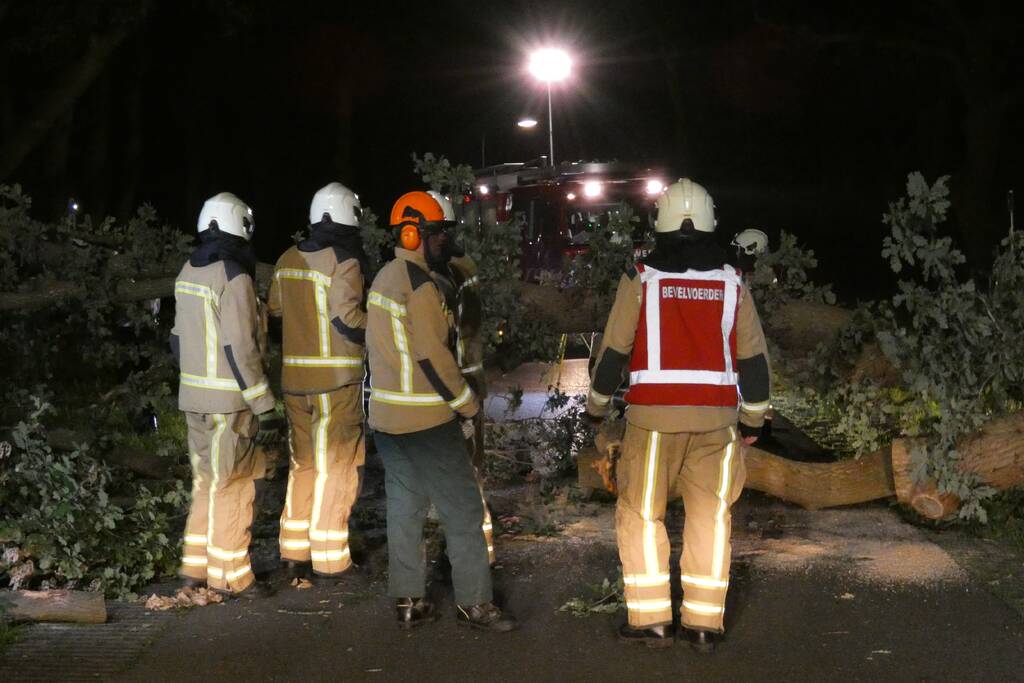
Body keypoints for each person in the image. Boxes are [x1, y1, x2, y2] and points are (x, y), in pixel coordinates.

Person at [586, 178, 771, 650]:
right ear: (711, 223)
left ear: (660, 224)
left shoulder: (641, 277)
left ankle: (651, 620)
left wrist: (597, 407)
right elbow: (753, 360)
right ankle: (704, 624)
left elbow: (614, 351)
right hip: (717, 425)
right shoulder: (733, 282)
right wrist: (753, 420)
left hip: (652, 426)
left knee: (642, 515)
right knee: (711, 518)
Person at [366, 190, 516, 631]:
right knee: (464, 511)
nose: (446, 242)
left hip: (388, 424)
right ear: (414, 233)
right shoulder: (420, 285)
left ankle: (409, 601)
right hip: (427, 421)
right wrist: (467, 406)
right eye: (439, 234)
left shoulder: (382, 280)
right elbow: (433, 357)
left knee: (405, 509)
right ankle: (476, 604)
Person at [171, 192, 284, 598]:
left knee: (205, 482)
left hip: (194, 400)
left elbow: (177, 342)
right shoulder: (234, 277)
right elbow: (242, 349)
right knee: (234, 486)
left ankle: (195, 570)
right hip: (230, 406)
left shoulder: (188, 271)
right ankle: (232, 576)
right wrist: (265, 406)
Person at [268, 182, 367, 582]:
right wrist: (380, 324)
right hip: (336, 382)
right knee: (337, 467)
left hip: (293, 382)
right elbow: (347, 318)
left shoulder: (285, 259)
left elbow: (274, 311)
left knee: (303, 464)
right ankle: (330, 557)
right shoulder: (345, 261)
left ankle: (294, 552)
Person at [425, 190, 494, 565]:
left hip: (456, 384)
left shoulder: (450, 271)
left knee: (463, 471)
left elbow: (457, 329)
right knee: (468, 470)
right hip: (460, 382)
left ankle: (468, 555)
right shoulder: (457, 265)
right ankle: (472, 553)